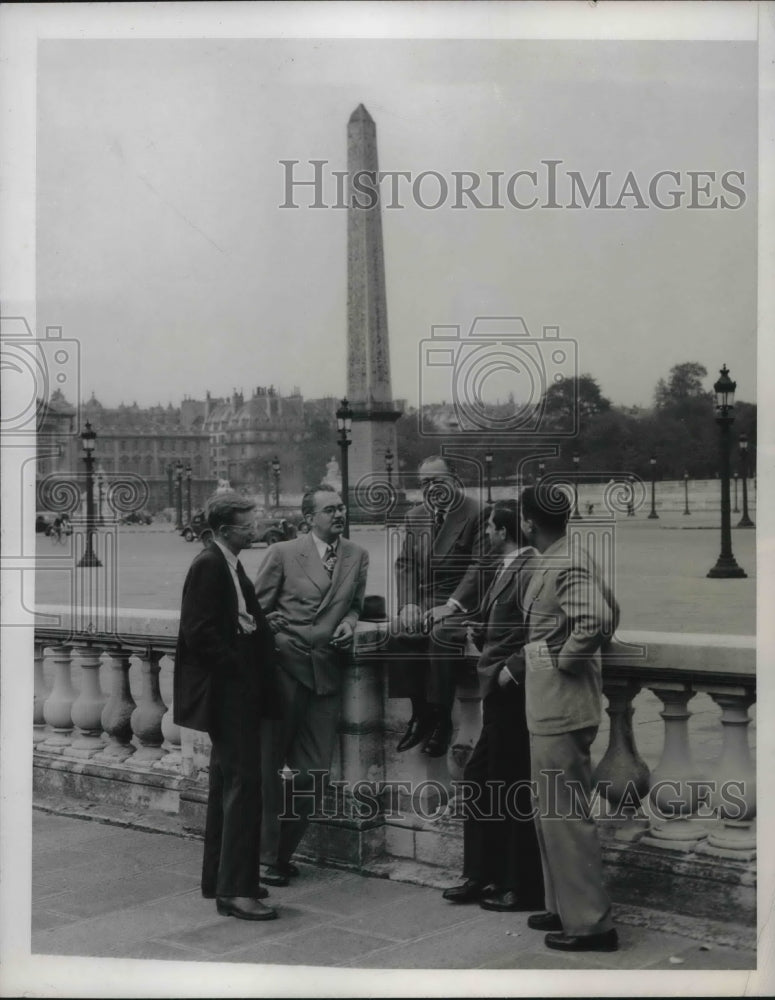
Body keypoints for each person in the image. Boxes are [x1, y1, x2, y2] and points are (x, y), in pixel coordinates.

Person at [518, 484, 620, 952]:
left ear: (528, 522)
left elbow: (595, 619)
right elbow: (611, 612)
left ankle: (591, 925)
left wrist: (564, 662)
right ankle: (563, 906)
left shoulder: (564, 562)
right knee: (552, 813)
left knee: (565, 816)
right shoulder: (567, 556)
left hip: (561, 705)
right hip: (553, 704)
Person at [173, 492, 280, 921]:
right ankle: (235, 891)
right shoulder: (209, 566)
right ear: (223, 530)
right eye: (246, 526)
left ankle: (223, 878)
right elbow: (199, 634)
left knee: (228, 785)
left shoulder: (225, 562)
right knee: (243, 786)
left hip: (232, 690)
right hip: (229, 693)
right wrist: (240, 666)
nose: (253, 531)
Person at [255, 485, 369, 887]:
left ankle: (280, 851)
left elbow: (354, 602)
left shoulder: (357, 555)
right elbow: (256, 609)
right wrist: (271, 628)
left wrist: (350, 622)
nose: (339, 515)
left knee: (315, 772)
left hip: (325, 673)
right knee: (268, 768)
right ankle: (267, 858)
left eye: (341, 509)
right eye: (330, 510)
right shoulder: (283, 553)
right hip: (284, 671)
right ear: (309, 519)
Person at [442, 499, 544, 912]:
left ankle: (517, 884)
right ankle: (483, 874)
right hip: (497, 686)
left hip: (510, 689)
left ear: (504, 531)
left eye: (489, 528)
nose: (484, 534)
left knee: (508, 784)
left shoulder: (530, 567)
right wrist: (481, 629)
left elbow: (540, 630)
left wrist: (512, 670)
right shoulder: (513, 566)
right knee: (483, 778)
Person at [392, 455, 485, 757]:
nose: (431, 488)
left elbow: (480, 566)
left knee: (442, 634)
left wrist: (453, 604)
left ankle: (442, 717)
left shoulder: (478, 512)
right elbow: (405, 563)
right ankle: (420, 713)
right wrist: (407, 604)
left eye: (437, 480)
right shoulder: (415, 515)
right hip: (425, 600)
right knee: (399, 630)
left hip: (464, 604)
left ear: (455, 478)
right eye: (424, 483)